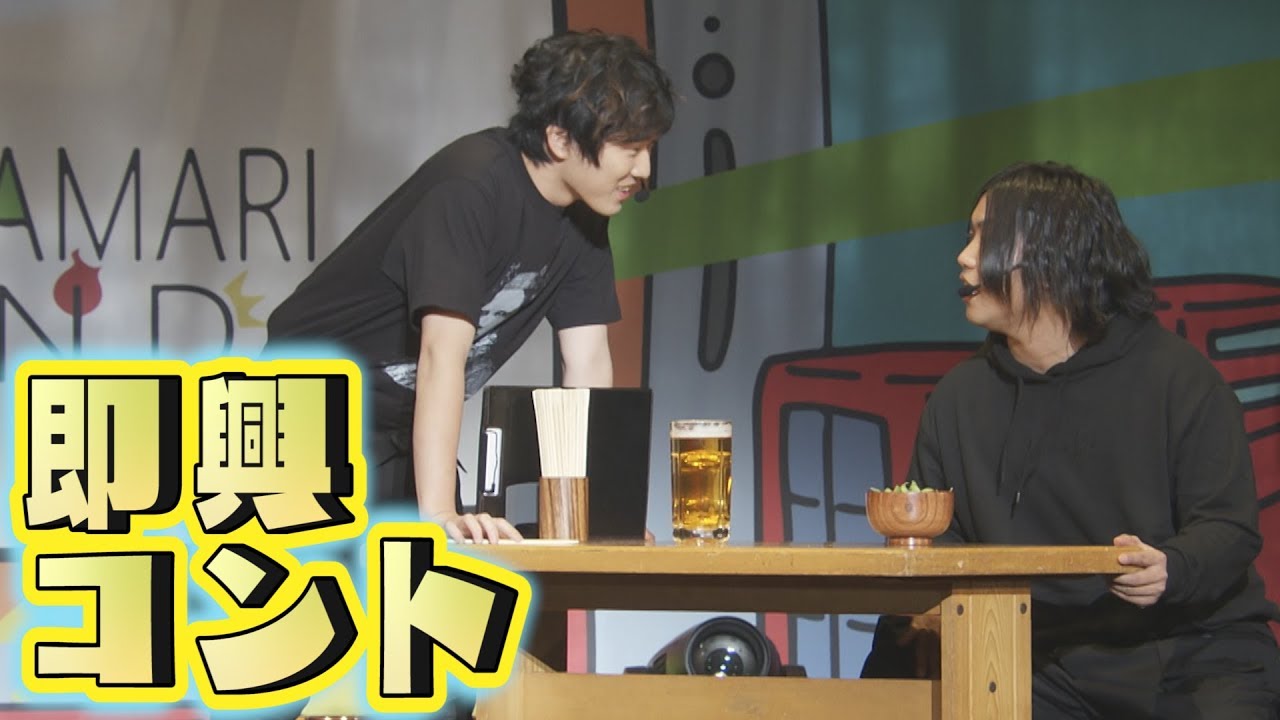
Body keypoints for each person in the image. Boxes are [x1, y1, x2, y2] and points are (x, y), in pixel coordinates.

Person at [862, 161, 1280, 718]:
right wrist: (921, 613)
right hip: (1039, 660)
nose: (964, 257)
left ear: (1055, 253)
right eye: (969, 236)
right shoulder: (959, 396)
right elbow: (942, 541)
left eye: (986, 237)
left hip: (1188, 648)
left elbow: (1228, 527)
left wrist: (1172, 566)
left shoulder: (1177, 378)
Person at [266, 30, 675, 543]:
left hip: (399, 434)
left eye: (649, 148)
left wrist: (600, 514)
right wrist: (439, 513)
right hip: (301, 421)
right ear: (560, 139)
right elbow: (441, 354)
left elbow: (588, 362)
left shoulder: (586, 218)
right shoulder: (471, 186)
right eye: (631, 149)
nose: (645, 170)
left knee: (445, 576)